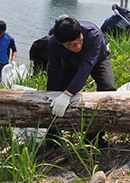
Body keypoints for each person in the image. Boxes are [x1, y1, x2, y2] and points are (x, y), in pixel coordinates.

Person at [46, 15, 115, 148]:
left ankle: (94, 137)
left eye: (79, 41)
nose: (77, 46)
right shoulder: (53, 43)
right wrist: (52, 94)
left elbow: (87, 66)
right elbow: (53, 70)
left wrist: (68, 93)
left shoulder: (93, 34)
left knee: (108, 90)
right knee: (57, 93)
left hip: (98, 61)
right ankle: (52, 137)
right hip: (70, 63)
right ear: (61, 43)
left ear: (81, 34)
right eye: (70, 45)